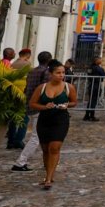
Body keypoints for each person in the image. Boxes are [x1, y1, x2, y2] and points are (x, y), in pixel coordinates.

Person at [28, 60, 76, 190]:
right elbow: (32, 103)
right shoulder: (42, 88)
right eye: (58, 72)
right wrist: (44, 106)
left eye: (63, 73)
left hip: (60, 120)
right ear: (50, 74)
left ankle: (49, 178)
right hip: (44, 119)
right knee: (45, 149)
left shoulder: (68, 87)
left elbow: (74, 102)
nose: (61, 75)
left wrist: (66, 105)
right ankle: (48, 172)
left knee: (54, 148)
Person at [10, 50, 51, 162]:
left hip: (29, 103)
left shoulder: (32, 71)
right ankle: (21, 161)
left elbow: (27, 86)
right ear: (49, 60)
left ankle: (48, 159)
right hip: (39, 106)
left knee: (40, 135)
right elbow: (44, 90)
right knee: (36, 137)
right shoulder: (46, 73)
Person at [83, 57, 105, 121]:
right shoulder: (98, 68)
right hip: (96, 85)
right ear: (96, 61)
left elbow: (89, 74)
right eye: (100, 59)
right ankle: (92, 116)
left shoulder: (90, 67)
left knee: (90, 101)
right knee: (93, 101)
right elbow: (104, 75)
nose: (101, 60)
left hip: (91, 85)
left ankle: (87, 115)